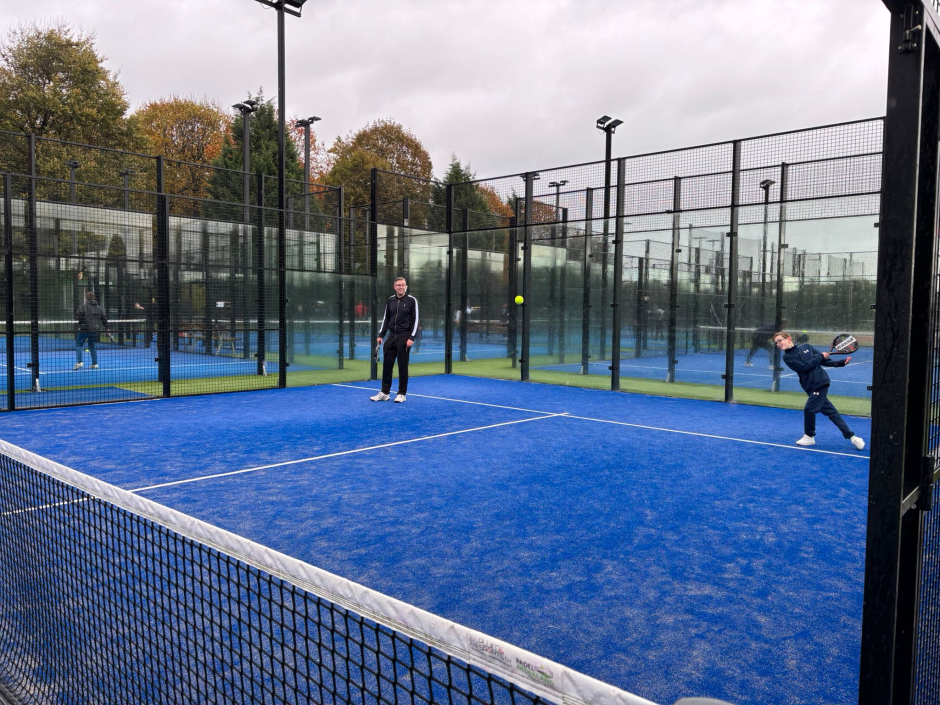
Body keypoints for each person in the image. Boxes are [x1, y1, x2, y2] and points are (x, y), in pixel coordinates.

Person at [773, 331, 865, 449]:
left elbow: (823, 361)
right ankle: (853, 437)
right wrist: (819, 356)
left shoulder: (806, 347)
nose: (778, 344)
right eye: (776, 343)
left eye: (779, 340)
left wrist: (841, 363)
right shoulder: (787, 357)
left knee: (809, 409)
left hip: (820, 382)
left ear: (789, 338)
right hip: (810, 387)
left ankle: (809, 436)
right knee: (831, 412)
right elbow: (804, 367)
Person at [371, 277, 419, 403]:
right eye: (398, 285)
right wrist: (381, 335)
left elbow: (416, 320)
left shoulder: (412, 300)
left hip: (404, 337)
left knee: (402, 367)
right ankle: (385, 393)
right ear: (394, 287)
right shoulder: (390, 300)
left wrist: (411, 337)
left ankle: (402, 394)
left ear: (406, 286)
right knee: (387, 366)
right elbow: (386, 319)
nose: (401, 287)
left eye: (403, 285)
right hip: (391, 337)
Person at [75, 291, 109, 370]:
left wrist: (80, 324)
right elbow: (104, 318)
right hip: (94, 330)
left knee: (79, 344)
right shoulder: (99, 308)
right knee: (92, 346)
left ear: (86, 298)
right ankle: (95, 363)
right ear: (94, 298)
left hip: (84, 329)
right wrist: (107, 327)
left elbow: (79, 317)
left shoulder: (83, 307)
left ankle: (79, 362)